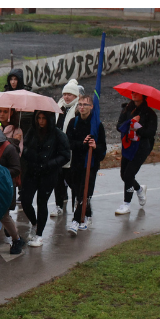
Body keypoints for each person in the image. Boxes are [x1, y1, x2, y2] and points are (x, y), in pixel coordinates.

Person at [19, 109, 69, 246]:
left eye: (43, 118)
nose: (40, 121)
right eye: (38, 118)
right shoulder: (32, 131)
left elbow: (65, 155)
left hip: (48, 173)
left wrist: (50, 164)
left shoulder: (58, 135)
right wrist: (30, 154)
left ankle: (39, 234)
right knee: (25, 200)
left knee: (42, 202)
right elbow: (25, 148)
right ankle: (34, 223)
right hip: (32, 171)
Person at [65, 95, 107, 233]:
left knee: (85, 193)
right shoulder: (74, 122)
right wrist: (82, 144)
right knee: (78, 193)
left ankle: (76, 221)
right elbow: (68, 143)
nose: (82, 107)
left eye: (85, 105)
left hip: (90, 165)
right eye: (80, 104)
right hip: (76, 164)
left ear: (91, 107)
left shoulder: (97, 125)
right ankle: (87, 214)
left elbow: (103, 149)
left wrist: (95, 146)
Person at [0, 112, 25, 254]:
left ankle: (16, 239)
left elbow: (16, 169)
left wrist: (0, 173)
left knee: (3, 215)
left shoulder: (9, 149)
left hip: (3, 188)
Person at [115, 90, 157, 214]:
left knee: (128, 175)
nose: (133, 94)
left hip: (142, 148)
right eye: (132, 92)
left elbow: (151, 132)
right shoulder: (127, 109)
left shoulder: (150, 113)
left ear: (143, 95)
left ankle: (126, 204)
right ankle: (139, 189)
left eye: (137, 93)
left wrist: (138, 127)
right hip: (128, 146)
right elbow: (119, 126)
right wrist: (130, 123)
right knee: (124, 175)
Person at [52, 80, 83, 217]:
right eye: (64, 94)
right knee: (57, 181)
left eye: (69, 94)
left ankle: (78, 204)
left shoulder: (78, 109)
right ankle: (58, 205)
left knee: (73, 180)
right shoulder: (59, 106)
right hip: (57, 150)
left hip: (71, 151)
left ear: (76, 95)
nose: (66, 97)